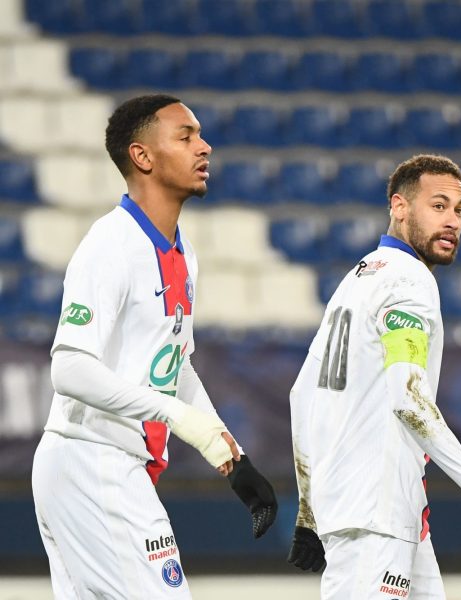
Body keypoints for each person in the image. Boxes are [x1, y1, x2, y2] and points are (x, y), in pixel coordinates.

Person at [31, 95, 278, 599]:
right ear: (142, 156)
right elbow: (70, 369)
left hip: (102, 466)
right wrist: (172, 415)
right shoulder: (110, 246)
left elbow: (176, 366)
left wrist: (230, 455)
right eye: (186, 136)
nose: (204, 146)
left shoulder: (182, 254)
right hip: (92, 460)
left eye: (200, 135)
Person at [287, 154, 461, 599]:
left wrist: (310, 512)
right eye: (439, 206)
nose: (452, 221)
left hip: (379, 508)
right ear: (399, 207)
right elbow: (408, 398)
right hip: (377, 510)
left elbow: (301, 395)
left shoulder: (358, 277)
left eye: (460, 210)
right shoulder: (409, 282)